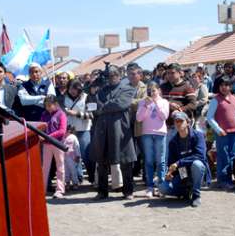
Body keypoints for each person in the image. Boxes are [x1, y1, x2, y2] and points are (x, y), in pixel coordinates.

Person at [90, 65, 137, 200]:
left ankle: (128, 191)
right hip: (102, 129)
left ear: (118, 75)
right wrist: (102, 105)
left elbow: (121, 103)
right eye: (108, 76)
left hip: (120, 129)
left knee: (126, 161)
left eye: (112, 76)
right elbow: (93, 106)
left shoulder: (128, 88)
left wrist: (103, 107)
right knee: (102, 161)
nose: (109, 79)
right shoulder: (101, 90)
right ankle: (102, 191)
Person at [158, 112, 210, 207]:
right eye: (176, 121)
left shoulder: (198, 135)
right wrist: (170, 174)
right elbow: (171, 163)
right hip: (183, 172)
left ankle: (196, 195)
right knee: (162, 188)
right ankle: (185, 192)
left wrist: (179, 163)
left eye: (181, 121)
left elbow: (200, 156)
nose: (178, 123)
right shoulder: (173, 142)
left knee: (197, 164)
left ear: (188, 122)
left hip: (197, 171)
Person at [206, 77, 235, 189]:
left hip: (233, 132)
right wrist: (218, 129)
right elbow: (209, 117)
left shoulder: (234, 98)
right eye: (222, 85)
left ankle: (229, 179)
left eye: (226, 85)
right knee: (223, 156)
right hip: (222, 133)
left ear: (230, 86)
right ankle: (222, 180)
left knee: (231, 155)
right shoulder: (215, 100)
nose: (224, 87)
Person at [136, 81, 170, 198]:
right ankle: (150, 187)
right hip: (147, 134)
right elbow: (139, 118)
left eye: (154, 90)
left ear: (159, 90)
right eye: (150, 91)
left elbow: (164, 116)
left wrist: (156, 103)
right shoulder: (142, 102)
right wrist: (145, 105)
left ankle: (161, 187)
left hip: (160, 133)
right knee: (149, 161)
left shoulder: (164, 102)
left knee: (161, 162)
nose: (152, 93)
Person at [62, 79, 94, 182]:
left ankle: (92, 177)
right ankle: (76, 178)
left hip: (83, 130)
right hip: (68, 132)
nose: (73, 91)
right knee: (70, 156)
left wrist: (75, 113)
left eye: (75, 88)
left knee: (86, 155)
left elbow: (91, 114)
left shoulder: (87, 97)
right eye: (71, 88)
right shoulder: (63, 98)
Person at [40, 95, 67, 198]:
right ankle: (42, 189)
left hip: (58, 144)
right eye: (46, 105)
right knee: (45, 167)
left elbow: (62, 131)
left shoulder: (61, 114)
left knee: (60, 167)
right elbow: (41, 126)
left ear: (55, 104)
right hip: (46, 145)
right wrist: (40, 135)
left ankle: (60, 190)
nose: (47, 108)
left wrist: (47, 136)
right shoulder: (44, 114)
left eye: (49, 105)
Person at [63, 125, 81, 190]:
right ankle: (67, 183)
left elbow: (77, 146)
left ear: (69, 130)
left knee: (73, 170)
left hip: (72, 157)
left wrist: (78, 156)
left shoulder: (73, 137)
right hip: (64, 157)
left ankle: (75, 183)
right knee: (66, 171)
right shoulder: (63, 137)